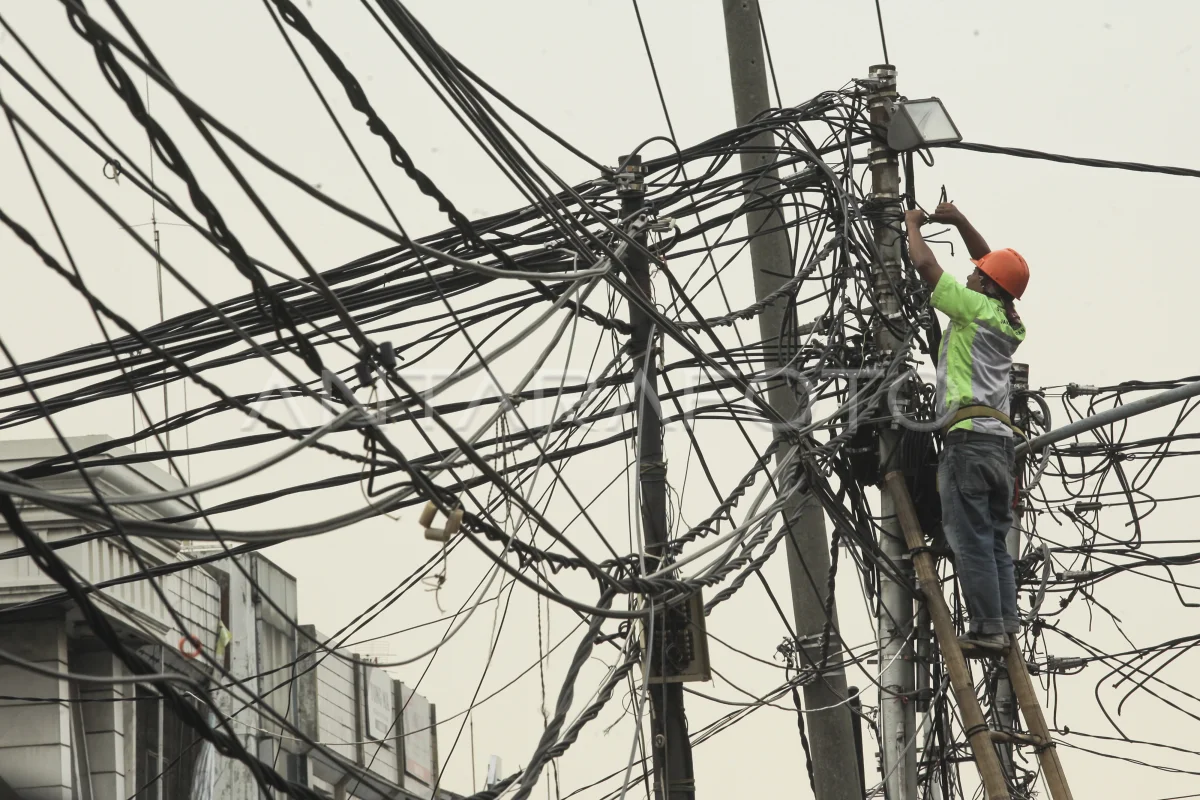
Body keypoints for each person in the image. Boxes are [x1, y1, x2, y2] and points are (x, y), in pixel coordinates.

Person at [904, 203, 1029, 653]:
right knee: (994, 541)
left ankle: (988, 630)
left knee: (971, 540)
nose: (972, 274)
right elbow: (994, 266)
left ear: (987, 286)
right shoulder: (1010, 321)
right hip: (999, 447)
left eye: (978, 274)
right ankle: (1004, 624)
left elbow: (924, 264)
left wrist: (912, 224)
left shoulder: (973, 307)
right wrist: (957, 221)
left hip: (969, 442)